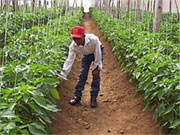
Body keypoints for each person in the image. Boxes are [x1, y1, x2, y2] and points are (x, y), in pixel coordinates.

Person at [60, 26, 104, 108]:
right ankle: (77, 96)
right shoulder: (73, 46)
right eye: (74, 39)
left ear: (83, 36)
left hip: (96, 52)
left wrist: (96, 67)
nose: (76, 41)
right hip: (86, 55)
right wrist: (62, 75)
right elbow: (69, 61)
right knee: (83, 74)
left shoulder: (94, 40)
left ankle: (93, 97)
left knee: (95, 74)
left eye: (78, 39)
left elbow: (98, 54)